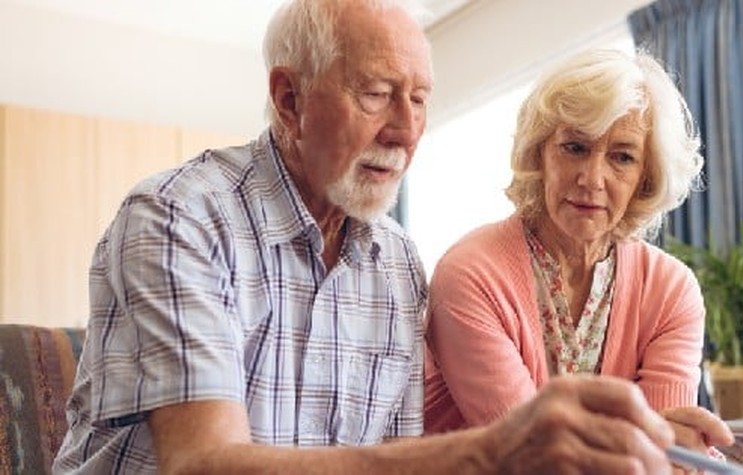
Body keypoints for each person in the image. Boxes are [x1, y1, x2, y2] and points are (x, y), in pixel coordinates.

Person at [53, 1, 681, 474]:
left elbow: (394, 459)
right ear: (290, 99)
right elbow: (199, 464)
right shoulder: (178, 218)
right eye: (377, 95)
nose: (406, 131)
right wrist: (490, 451)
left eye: (420, 100)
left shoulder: (397, 262)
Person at [423, 48, 734, 458]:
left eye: (622, 156)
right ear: (539, 153)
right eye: (574, 147)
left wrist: (673, 455)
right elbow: (529, 452)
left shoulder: (670, 290)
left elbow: (663, 454)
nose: (592, 179)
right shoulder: (471, 273)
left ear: (646, 176)